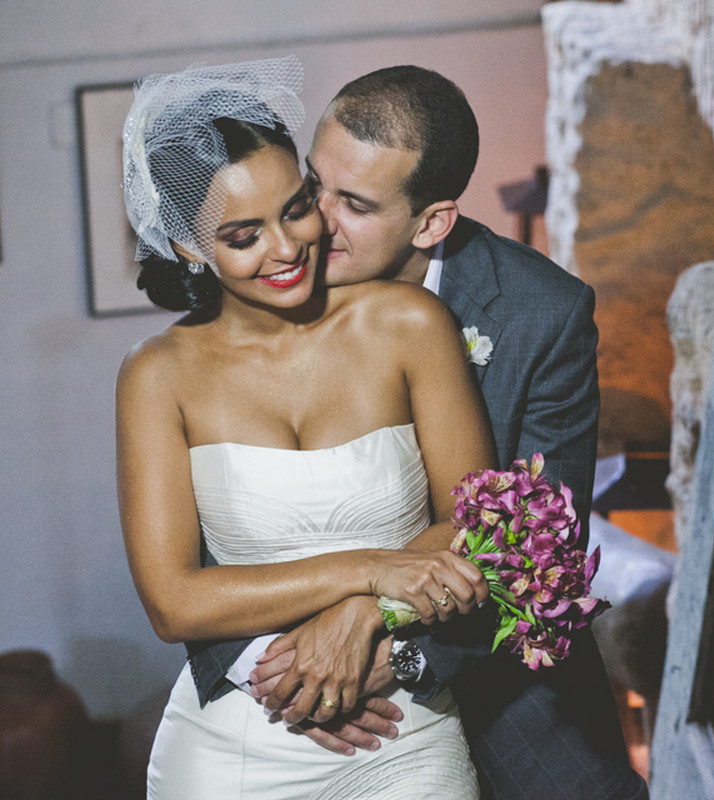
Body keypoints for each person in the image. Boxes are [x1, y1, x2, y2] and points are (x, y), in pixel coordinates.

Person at [186, 66, 648, 799]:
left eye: (357, 205)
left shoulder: (541, 314)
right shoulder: (260, 278)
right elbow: (213, 511)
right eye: (316, 186)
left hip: (494, 673)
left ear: (432, 221)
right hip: (293, 670)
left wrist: (378, 635)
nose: (314, 222)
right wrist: (277, 672)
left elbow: (536, 536)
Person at [116, 56, 494, 798]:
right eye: (243, 234)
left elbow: (476, 521)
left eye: (295, 209)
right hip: (235, 745)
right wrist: (368, 569)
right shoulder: (156, 375)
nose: (287, 249)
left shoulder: (410, 324)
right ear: (191, 248)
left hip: (404, 732)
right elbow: (173, 601)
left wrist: (360, 619)